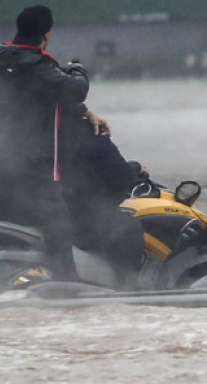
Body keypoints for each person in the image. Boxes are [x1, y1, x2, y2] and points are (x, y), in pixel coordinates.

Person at [0, 5, 95, 281]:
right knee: (56, 218)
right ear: (47, 35)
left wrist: (86, 113)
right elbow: (73, 90)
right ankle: (67, 283)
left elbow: (33, 99)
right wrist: (78, 69)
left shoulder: (5, 59)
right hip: (21, 160)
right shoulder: (33, 63)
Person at [57, 107, 145, 289]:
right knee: (128, 229)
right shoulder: (87, 130)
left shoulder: (25, 127)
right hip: (76, 224)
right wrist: (135, 168)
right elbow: (120, 177)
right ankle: (127, 290)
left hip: (29, 212)